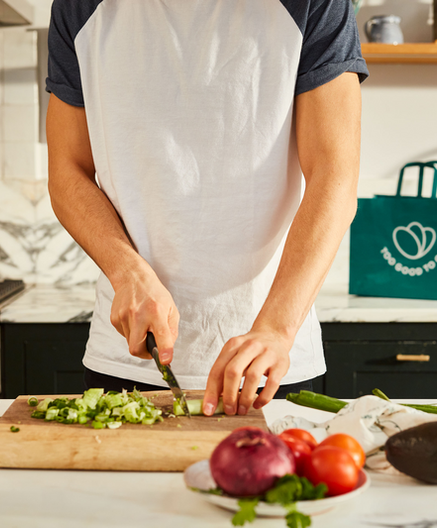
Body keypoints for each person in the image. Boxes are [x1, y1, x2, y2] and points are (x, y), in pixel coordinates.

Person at [45, 0, 368, 416]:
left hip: (268, 363)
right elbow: (67, 172)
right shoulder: (79, 5)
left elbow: (334, 176)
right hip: (128, 357)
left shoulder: (315, 4)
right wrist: (126, 271)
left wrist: (275, 329)